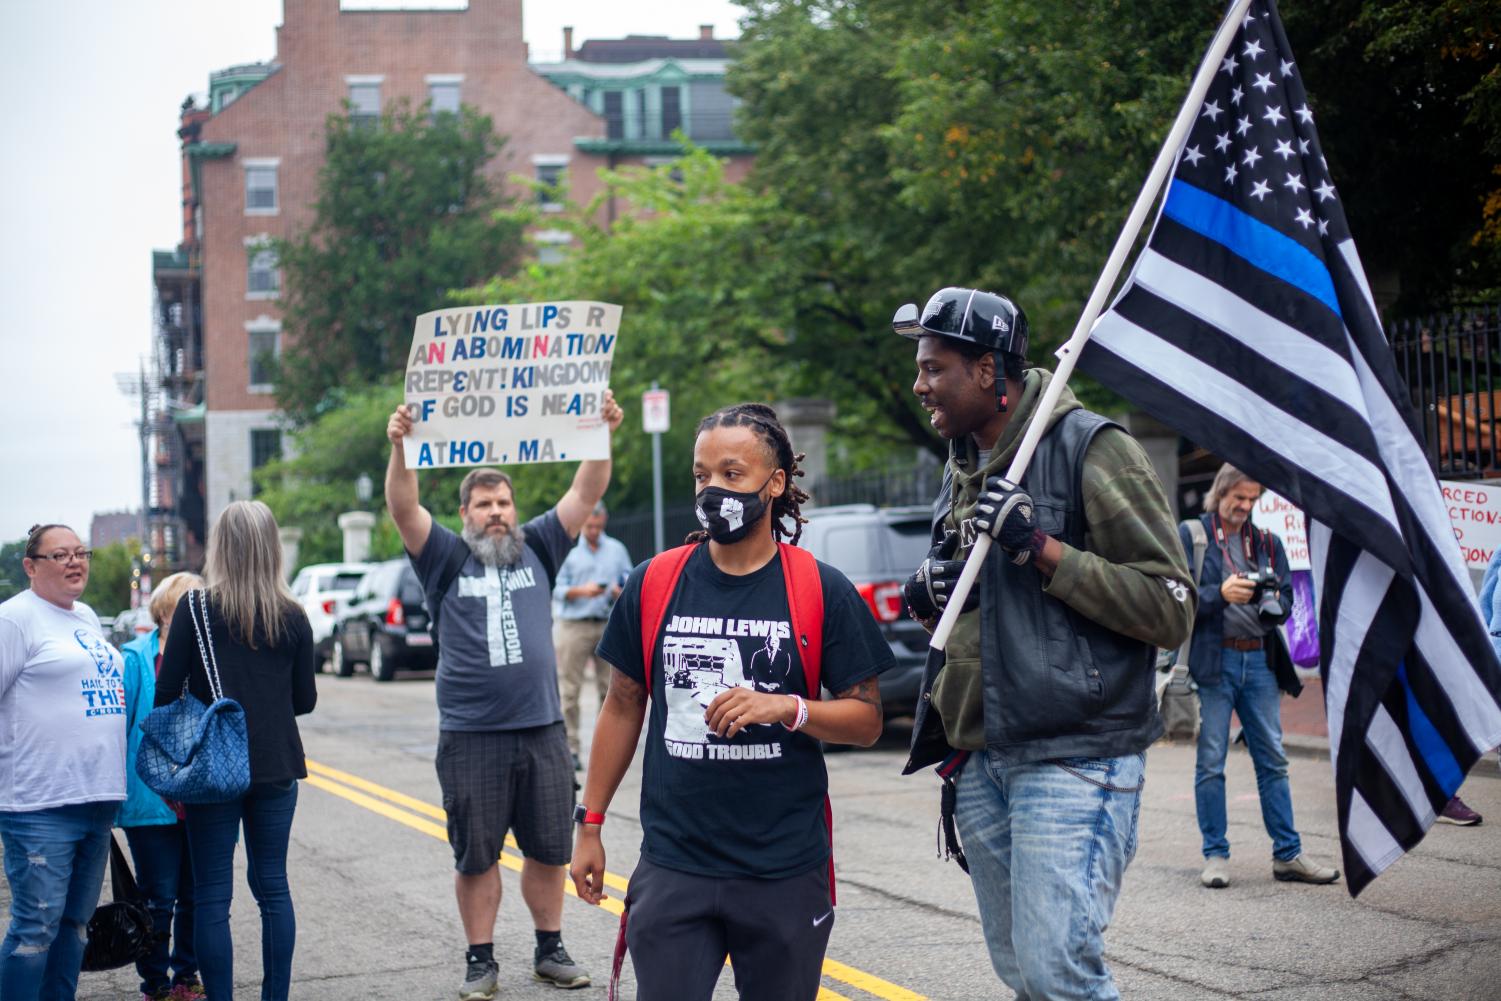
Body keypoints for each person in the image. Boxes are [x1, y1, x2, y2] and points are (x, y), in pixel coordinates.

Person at [894, 288, 1195, 1000]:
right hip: (979, 756)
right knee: (1025, 972)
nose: (919, 384)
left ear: (989, 371)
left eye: (935, 367)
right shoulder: (961, 463)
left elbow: (1170, 606)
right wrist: (925, 589)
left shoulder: (1093, 447)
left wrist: (1042, 549)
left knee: (1060, 971)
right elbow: (978, 607)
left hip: (1073, 754)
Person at [570, 402, 892, 1001]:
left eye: (732, 474)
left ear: (775, 484)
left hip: (783, 871)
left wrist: (787, 707)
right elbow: (621, 704)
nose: (713, 489)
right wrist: (589, 823)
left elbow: (868, 719)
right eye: (701, 475)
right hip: (675, 866)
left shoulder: (820, 589)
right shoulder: (654, 582)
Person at [385, 390, 624, 1000]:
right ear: (465, 512)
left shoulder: (540, 544)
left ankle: (550, 947)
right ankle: (480, 958)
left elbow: (586, 490)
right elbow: (403, 506)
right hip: (470, 736)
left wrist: (600, 432)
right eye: (484, 504)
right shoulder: (444, 557)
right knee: (476, 856)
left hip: (542, 729)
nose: (496, 512)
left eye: (504, 502)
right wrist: (401, 447)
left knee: (548, 849)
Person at [155, 501, 318, 1001]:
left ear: (219, 546)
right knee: (273, 888)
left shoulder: (196, 608)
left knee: (211, 898)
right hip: (276, 766)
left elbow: (166, 694)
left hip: (213, 770)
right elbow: (304, 700)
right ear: (273, 548)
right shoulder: (293, 614)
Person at [1183, 464, 1341, 888]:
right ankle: (1215, 855)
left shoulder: (1267, 542)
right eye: (1239, 498)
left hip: (1260, 662)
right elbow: (1172, 594)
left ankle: (1288, 855)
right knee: (1211, 762)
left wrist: (1275, 600)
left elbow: (1287, 595)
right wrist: (1219, 595)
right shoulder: (1194, 537)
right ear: (1221, 493)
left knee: (1273, 759)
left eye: (1253, 499)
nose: (1245, 506)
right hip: (1216, 661)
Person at [0, 523, 126, 1001]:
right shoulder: (15, 620)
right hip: (39, 807)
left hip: (94, 800)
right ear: (31, 567)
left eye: (81, 552)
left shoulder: (87, 617)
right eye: (60, 555)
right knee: (35, 932)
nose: (76, 562)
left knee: (74, 928)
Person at [119, 570, 208, 1001]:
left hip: (200, 799)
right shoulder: (135, 658)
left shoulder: (210, 657)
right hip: (151, 801)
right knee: (158, 898)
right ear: (165, 612)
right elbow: (118, 729)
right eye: (188, 605)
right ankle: (154, 982)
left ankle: (185, 976)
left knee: (194, 895)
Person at [552, 501, 633, 768]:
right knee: (570, 690)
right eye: (590, 526)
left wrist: (616, 591)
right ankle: (571, 749)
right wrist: (581, 591)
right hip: (574, 625)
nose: (594, 531)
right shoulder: (570, 552)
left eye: (598, 526)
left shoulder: (617, 550)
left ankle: (605, 749)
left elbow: (629, 581)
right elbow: (556, 588)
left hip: (607, 623)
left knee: (610, 689)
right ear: (583, 521)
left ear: (604, 522)